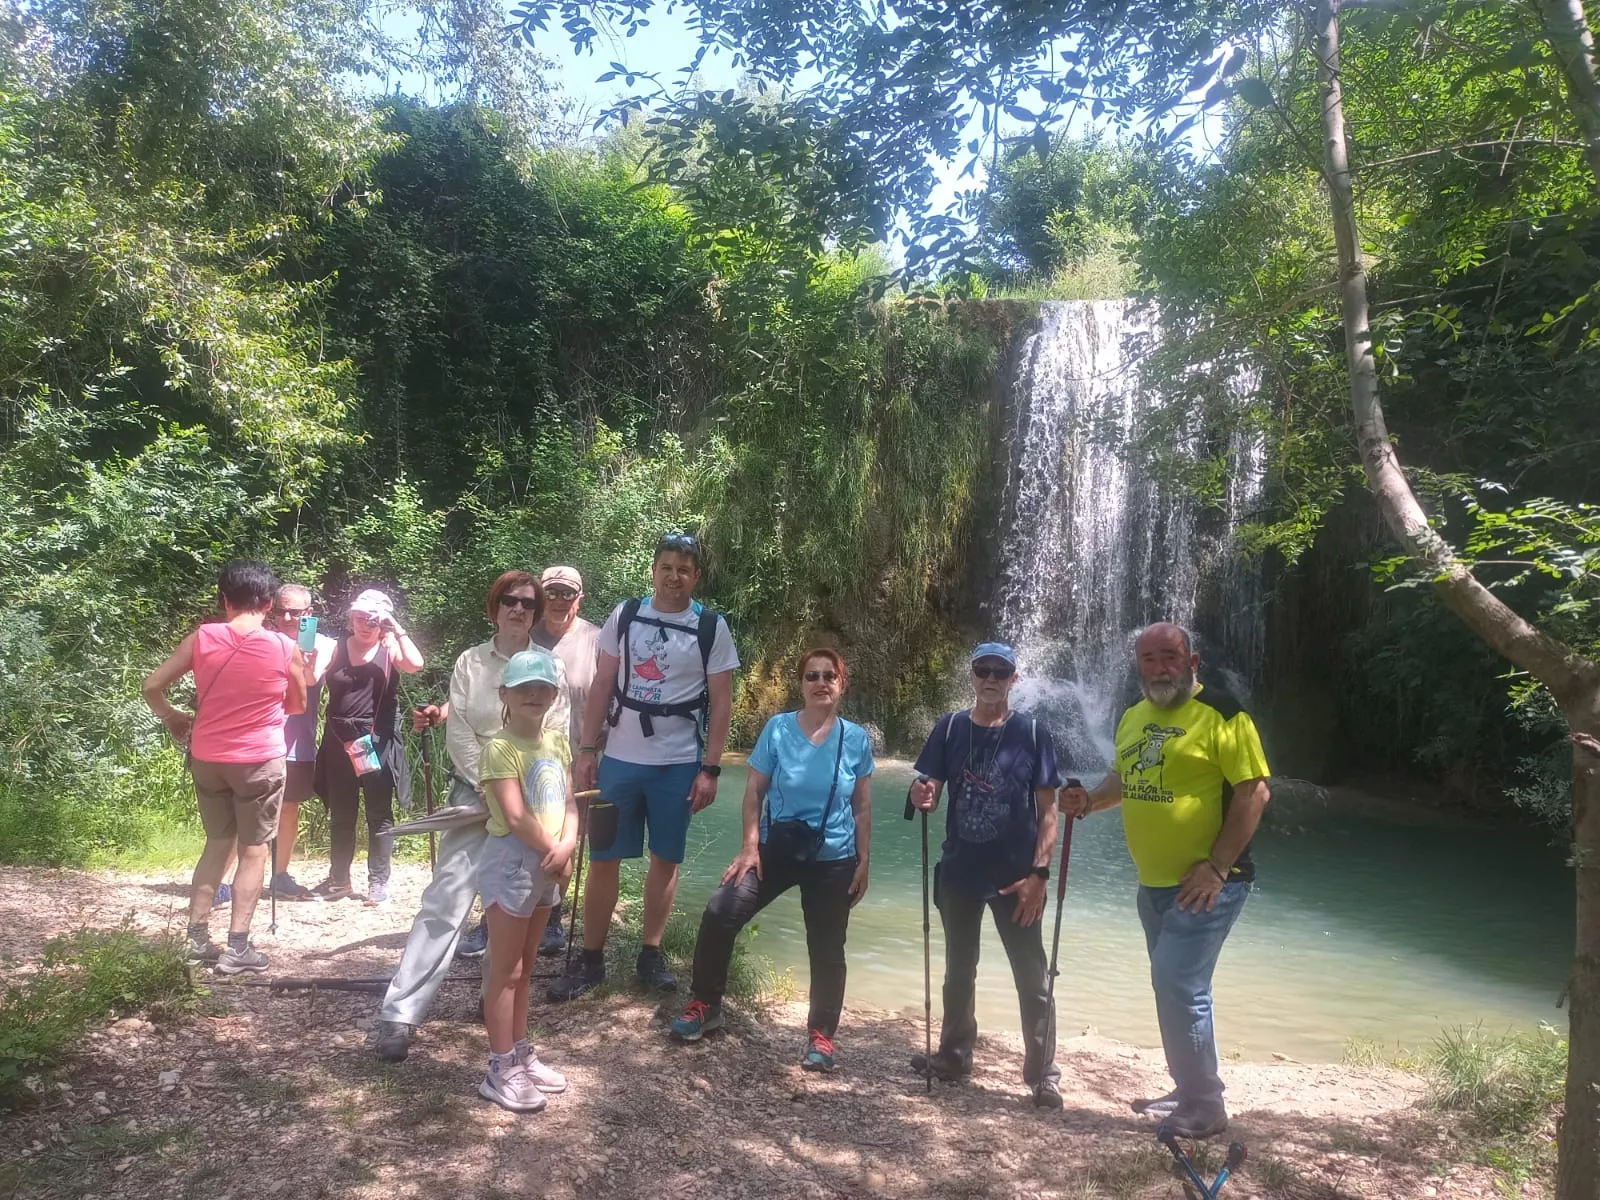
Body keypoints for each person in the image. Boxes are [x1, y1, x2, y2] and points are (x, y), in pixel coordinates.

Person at [1060, 622, 1270, 1139]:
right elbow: (1123, 781)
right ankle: (1188, 1088)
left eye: (1170, 657)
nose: (1159, 668)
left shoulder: (1223, 714)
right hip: (1152, 882)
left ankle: (1205, 1104)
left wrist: (1218, 865)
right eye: (1149, 659)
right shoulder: (1134, 716)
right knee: (1172, 985)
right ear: (1138, 667)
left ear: (1192, 662)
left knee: (1179, 983)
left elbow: (1254, 793)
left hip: (1211, 882)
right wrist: (1089, 801)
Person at [374, 572, 569, 1063]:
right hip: (475, 796)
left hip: (531, 804)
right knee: (446, 900)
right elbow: (458, 729)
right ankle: (401, 1012)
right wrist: (491, 785)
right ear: (494, 607)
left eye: (528, 602)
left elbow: (556, 732)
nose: (519, 609)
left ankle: (494, 1005)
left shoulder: (550, 667)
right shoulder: (470, 662)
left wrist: (517, 798)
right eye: (509, 600)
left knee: (512, 909)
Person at [550, 532, 738, 1001]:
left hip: (677, 763)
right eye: (667, 567)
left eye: (684, 569)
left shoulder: (711, 628)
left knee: (666, 858)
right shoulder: (626, 615)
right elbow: (602, 685)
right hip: (620, 759)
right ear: (654, 570)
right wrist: (588, 750)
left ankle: (649, 953)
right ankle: (591, 957)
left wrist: (710, 769)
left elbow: (721, 702)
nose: (674, 576)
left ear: (696, 576)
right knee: (604, 857)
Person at [669, 649, 873, 1071]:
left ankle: (822, 1036)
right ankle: (706, 1004)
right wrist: (749, 846)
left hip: (834, 855)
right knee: (721, 909)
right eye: (812, 676)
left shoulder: (855, 739)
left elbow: (863, 807)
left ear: (842, 683)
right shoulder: (778, 729)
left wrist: (864, 858)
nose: (821, 683)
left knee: (827, 946)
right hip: (778, 846)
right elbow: (754, 792)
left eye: (829, 676)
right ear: (801, 684)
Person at [907, 641, 1065, 1108]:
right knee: (958, 970)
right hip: (960, 871)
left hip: (1017, 878)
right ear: (972, 675)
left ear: (1015, 677)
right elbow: (929, 785)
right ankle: (954, 1056)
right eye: (983, 670)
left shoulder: (1033, 734)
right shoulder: (951, 727)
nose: (991, 678)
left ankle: (1043, 1073)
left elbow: (1049, 811)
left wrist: (1040, 874)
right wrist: (922, 794)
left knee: (1033, 976)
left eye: (1001, 671)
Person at [141, 560, 307, 974]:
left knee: (218, 843)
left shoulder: (202, 638)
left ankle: (196, 939)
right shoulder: (285, 648)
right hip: (259, 760)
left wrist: (173, 717)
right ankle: (237, 948)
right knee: (253, 851)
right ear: (269, 604)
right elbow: (299, 704)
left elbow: (151, 686)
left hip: (208, 757)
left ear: (224, 600)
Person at [476, 648, 577, 1113]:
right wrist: (553, 852)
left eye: (542, 688)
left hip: (548, 862)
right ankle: (499, 1067)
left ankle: (519, 1051)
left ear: (554, 695)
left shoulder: (557, 741)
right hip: (513, 862)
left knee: (528, 965)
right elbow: (515, 816)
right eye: (524, 688)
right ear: (506, 695)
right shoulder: (499, 747)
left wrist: (568, 845)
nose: (534, 695)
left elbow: (571, 803)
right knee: (506, 967)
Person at [311, 588, 424, 904]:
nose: (365, 624)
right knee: (341, 813)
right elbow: (309, 678)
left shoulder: (391, 649)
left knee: (379, 813)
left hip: (378, 741)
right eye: (360, 617)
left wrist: (395, 627)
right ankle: (339, 880)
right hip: (338, 741)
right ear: (351, 618)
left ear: (383, 623)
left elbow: (416, 664)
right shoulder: (335, 648)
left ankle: (379, 882)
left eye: (373, 619)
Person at [529, 564, 601, 957]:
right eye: (552, 592)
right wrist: (442, 711)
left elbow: (616, 694)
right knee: (514, 838)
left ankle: (552, 919)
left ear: (579, 598)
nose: (559, 600)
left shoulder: (597, 640)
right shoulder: (522, 635)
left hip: (579, 760)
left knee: (564, 843)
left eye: (567, 593)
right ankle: (500, 917)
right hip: (524, 756)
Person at [268, 583, 337, 900]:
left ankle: (279, 875)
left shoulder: (323, 644)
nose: (286, 617)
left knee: (289, 809)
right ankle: (229, 879)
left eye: (295, 612)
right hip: (261, 737)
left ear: (308, 614)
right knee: (248, 809)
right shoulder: (263, 638)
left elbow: (311, 681)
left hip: (298, 740)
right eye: (280, 609)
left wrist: (305, 660)